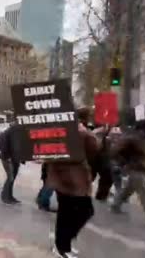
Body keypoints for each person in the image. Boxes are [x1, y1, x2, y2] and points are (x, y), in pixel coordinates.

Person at [48, 108, 98, 258]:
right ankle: (62, 245)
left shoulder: (62, 130)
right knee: (81, 211)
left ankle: (63, 244)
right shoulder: (79, 132)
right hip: (70, 180)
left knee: (67, 214)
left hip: (65, 179)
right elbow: (94, 148)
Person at [111, 120, 145, 231]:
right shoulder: (131, 138)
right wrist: (123, 162)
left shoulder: (143, 138)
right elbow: (115, 151)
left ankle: (115, 205)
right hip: (135, 170)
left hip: (141, 169)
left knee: (128, 189)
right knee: (144, 194)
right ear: (142, 128)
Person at [0, 123, 22, 204]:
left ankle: (9, 196)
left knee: (12, 178)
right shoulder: (7, 133)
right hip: (8, 159)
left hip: (14, 159)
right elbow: (4, 147)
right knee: (10, 177)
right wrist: (7, 157)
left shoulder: (15, 134)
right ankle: (5, 196)